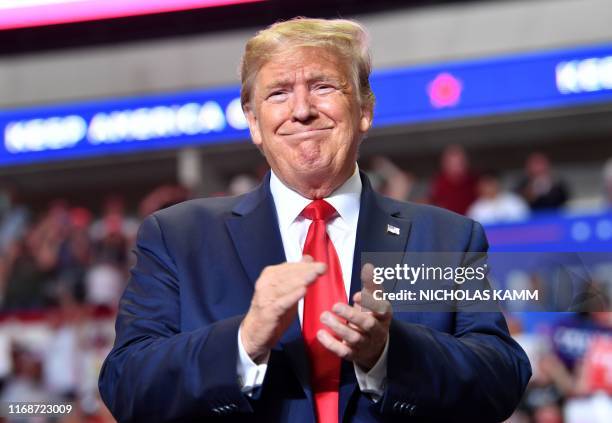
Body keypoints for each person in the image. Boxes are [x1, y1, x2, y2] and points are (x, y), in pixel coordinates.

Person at [98, 18, 531, 422]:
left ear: (364, 110)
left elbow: (501, 379)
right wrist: (243, 343)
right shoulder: (178, 237)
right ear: (253, 121)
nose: (301, 110)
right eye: (278, 93)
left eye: (323, 86)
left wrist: (389, 353)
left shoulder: (444, 238)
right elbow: (126, 385)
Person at [429, 144, 479, 215]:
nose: (456, 168)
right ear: (444, 164)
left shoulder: (474, 181)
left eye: (459, 163)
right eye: (452, 164)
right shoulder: (438, 184)